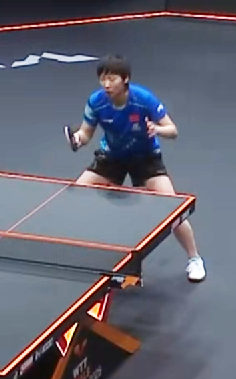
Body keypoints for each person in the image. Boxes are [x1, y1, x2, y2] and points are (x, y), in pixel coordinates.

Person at [67, 54, 206, 283]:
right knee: (78, 194)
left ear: (125, 79)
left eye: (112, 79)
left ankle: (195, 259)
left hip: (145, 157)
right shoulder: (96, 101)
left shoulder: (143, 99)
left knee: (172, 206)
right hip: (112, 157)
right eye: (103, 79)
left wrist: (157, 130)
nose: (106, 84)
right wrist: (77, 139)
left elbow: (172, 130)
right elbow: (86, 133)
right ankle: (98, 258)